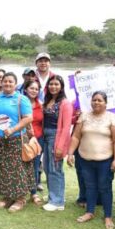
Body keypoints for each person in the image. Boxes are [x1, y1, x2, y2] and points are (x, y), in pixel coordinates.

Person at [68, 91, 115, 229]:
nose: (96, 102)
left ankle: (108, 216)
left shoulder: (113, 118)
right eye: (94, 100)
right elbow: (75, 137)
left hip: (105, 160)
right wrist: (70, 153)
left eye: (99, 100)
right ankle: (90, 212)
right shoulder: (84, 116)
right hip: (85, 159)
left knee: (105, 188)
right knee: (89, 186)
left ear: (106, 103)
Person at [0, 72, 35, 213]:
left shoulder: (21, 99)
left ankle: (20, 199)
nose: (7, 84)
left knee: (18, 169)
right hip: (0, 140)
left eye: (10, 82)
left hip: (16, 139)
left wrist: (13, 129)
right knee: (3, 168)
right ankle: (7, 196)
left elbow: (28, 118)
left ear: (15, 83)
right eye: (5, 81)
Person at [41, 75, 75, 212]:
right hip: (46, 136)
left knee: (55, 169)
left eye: (56, 84)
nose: (53, 87)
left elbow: (66, 127)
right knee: (48, 168)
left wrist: (60, 146)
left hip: (56, 136)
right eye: (51, 84)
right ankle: (54, 195)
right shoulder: (48, 100)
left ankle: (57, 202)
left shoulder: (65, 103)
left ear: (61, 87)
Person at [22, 79, 44, 199]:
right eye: (32, 88)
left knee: (35, 166)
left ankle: (33, 192)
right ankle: (21, 190)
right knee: (22, 165)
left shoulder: (41, 105)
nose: (34, 91)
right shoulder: (19, 102)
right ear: (26, 89)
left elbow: (43, 123)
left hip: (37, 139)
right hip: (22, 138)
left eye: (36, 89)